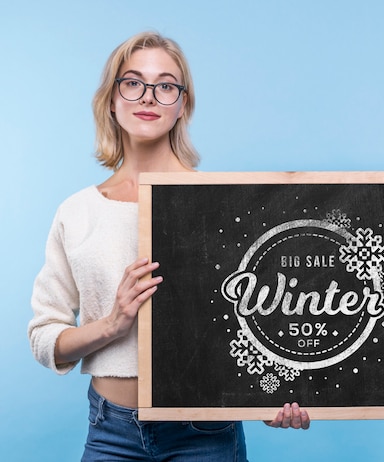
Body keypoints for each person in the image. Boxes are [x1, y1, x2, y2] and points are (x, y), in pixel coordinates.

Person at [28, 31, 309, 462]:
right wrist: (111, 324)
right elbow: (44, 337)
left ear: (182, 105)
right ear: (112, 99)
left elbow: (253, 326)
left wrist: (267, 398)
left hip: (205, 431)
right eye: (133, 82)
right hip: (111, 429)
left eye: (166, 86)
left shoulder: (218, 205)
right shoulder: (77, 211)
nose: (149, 97)